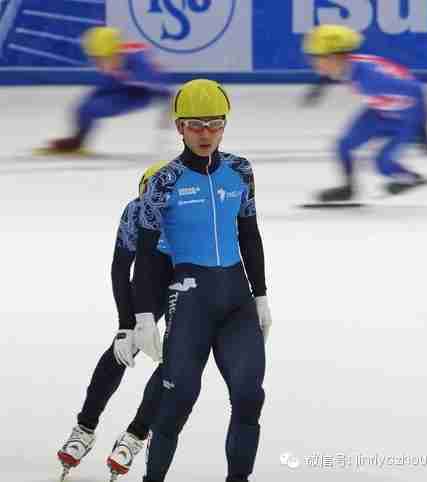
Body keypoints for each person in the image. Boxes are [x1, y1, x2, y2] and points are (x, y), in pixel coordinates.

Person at [132, 79, 272, 482]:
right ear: (179, 127)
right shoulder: (164, 181)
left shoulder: (240, 171)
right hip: (190, 302)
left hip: (237, 302)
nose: (206, 133)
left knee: (249, 396)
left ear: (225, 125)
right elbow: (145, 254)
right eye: (195, 125)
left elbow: (249, 234)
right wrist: (143, 315)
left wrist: (261, 295)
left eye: (215, 124)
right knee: (178, 399)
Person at [57, 162, 173, 482]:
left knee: (177, 361)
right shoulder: (134, 211)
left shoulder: (192, 215)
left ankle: (136, 435)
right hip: (151, 279)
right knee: (122, 348)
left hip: (188, 280)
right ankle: (85, 428)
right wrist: (125, 325)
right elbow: (121, 267)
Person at [303, 24, 427, 202]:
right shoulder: (346, 65)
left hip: (405, 120)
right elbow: (332, 73)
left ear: (335, 57)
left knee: (382, 163)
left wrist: (424, 130)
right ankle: (348, 189)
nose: (313, 63)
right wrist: (319, 87)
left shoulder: (373, 79)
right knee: (344, 146)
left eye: (317, 58)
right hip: (380, 110)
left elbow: (417, 90)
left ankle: (413, 178)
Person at [43, 27, 172, 155]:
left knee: (91, 108)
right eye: (94, 59)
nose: (98, 64)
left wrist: (169, 115)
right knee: (83, 108)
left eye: (101, 59)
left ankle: (77, 142)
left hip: (141, 93)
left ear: (116, 53)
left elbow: (169, 94)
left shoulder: (141, 69)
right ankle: (77, 140)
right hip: (120, 80)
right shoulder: (113, 59)